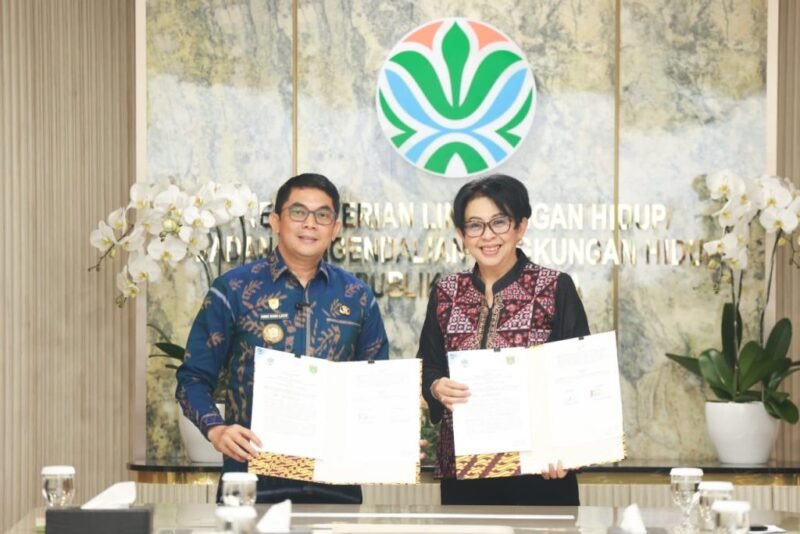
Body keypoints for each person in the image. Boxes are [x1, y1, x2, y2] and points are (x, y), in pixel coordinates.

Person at [176, 173, 389, 504]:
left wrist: (393, 438)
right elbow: (192, 378)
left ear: (335, 228)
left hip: (335, 484)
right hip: (250, 483)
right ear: (275, 221)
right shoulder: (233, 289)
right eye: (298, 212)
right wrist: (216, 429)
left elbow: (376, 386)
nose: (310, 223)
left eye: (322, 215)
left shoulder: (357, 296)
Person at [418, 173, 590, 506]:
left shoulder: (555, 287)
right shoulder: (446, 292)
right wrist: (437, 387)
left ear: (520, 227)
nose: (487, 236)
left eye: (499, 222)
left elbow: (578, 376)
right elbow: (428, 366)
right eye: (475, 225)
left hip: (540, 471)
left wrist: (568, 450)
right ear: (461, 234)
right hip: (464, 472)